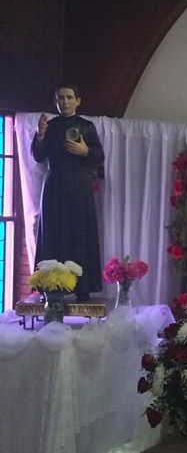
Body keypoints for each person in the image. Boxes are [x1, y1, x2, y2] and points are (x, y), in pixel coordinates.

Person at [31, 83, 105, 301]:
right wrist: (40, 135)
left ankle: (83, 287)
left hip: (80, 185)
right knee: (52, 233)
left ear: (78, 101)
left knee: (81, 231)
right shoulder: (49, 127)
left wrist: (85, 151)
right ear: (56, 101)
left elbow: (99, 157)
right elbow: (38, 156)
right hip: (54, 185)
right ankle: (49, 287)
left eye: (69, 97)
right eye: (61, 98)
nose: (65, 101)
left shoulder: (87, 126)